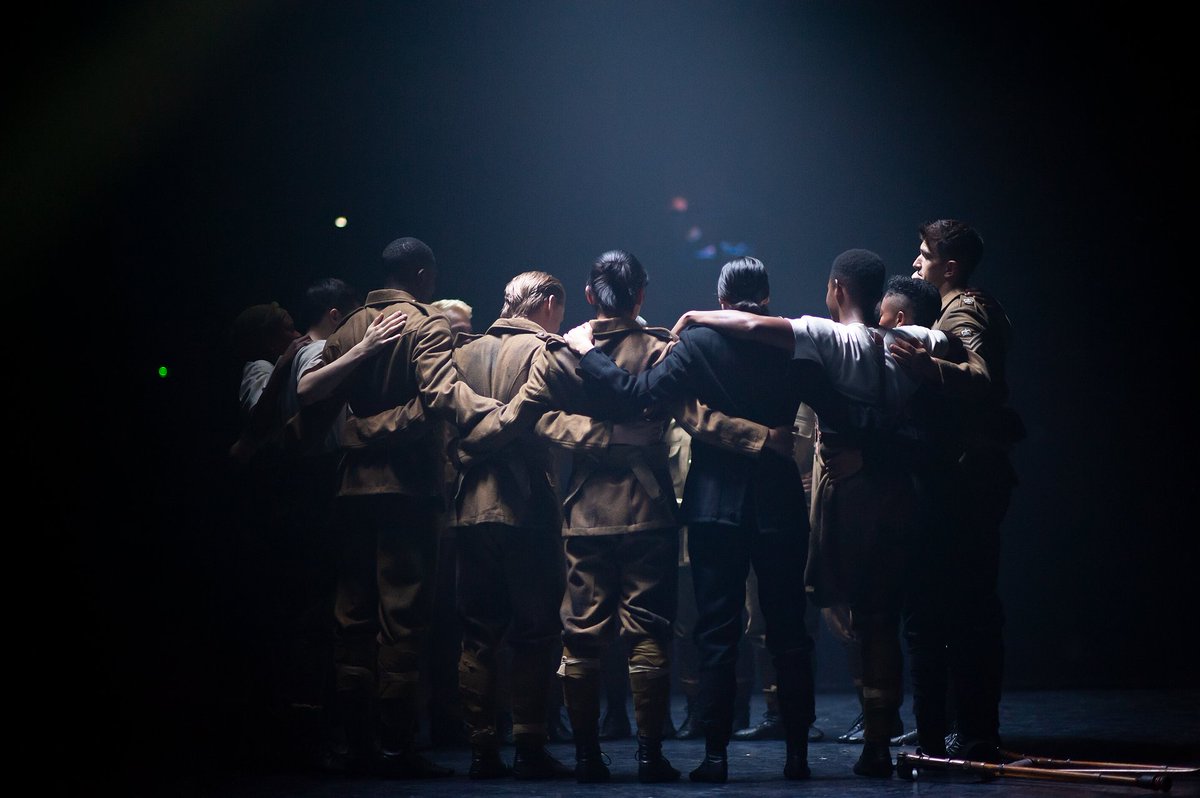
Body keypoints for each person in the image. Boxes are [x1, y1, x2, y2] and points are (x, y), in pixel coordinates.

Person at [660, 249, 981, 778]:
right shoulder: (911, 342)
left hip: (845, 495)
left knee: (767, 623)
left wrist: (695, 317)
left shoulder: (822, 336)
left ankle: (727, 754)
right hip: (902, 492)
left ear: (836, 288)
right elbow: (962, 369)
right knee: (883, 621)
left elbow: (747, 324)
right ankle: (889, 742)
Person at [563, 256, 851, 783]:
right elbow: (840, 409)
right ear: (764, 297)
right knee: (789, 632)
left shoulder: (694, 345)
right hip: (780, 504)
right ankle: (797, 756)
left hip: (714, 507)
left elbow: (637, 395)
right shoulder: (793, 345)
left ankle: (714, 758)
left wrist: (586, 352)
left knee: (716, 632)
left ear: (721, 301)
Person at [295, 236, 524, 778]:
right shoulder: (426, 323)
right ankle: (396, 748)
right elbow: (440, 396)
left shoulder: (350, 326)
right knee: (401, 621)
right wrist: (496, 411)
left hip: (350, 489)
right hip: (406, 489)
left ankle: (356, 746)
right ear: (423, 275)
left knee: (350, 618)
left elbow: (315, 400)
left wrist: (358, 428)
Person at [456, 249, 684, 784]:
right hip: (649, 510)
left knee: (580, 637)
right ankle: (650, 758)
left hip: (583, 511)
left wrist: (590, 439)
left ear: (587, 295)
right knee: (648, 632)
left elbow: (538, 420)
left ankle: (585, 759)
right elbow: (681, 414)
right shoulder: (659, 348)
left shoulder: (563, 353)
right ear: (642, 295)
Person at [899, 219, 1024, 762]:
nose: (915, 264)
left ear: (950, 266)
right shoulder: (968, 306)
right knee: (956, 606)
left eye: (925, 256)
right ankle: (956, 726)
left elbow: (984, 381)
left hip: (967, 480)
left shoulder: (964, 308)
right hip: (967, 476)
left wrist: (927, 367)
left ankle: (973, 731)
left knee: (963, 607)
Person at [445, 271, 576, 780]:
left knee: (477, 633)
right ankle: (529, 744)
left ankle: (481, 750)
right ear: (545, 303)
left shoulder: (462, 354)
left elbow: (446, 432)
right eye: (559, 310)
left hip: (470, 507)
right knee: (535, 632)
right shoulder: (547, 352)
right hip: (527, 510)